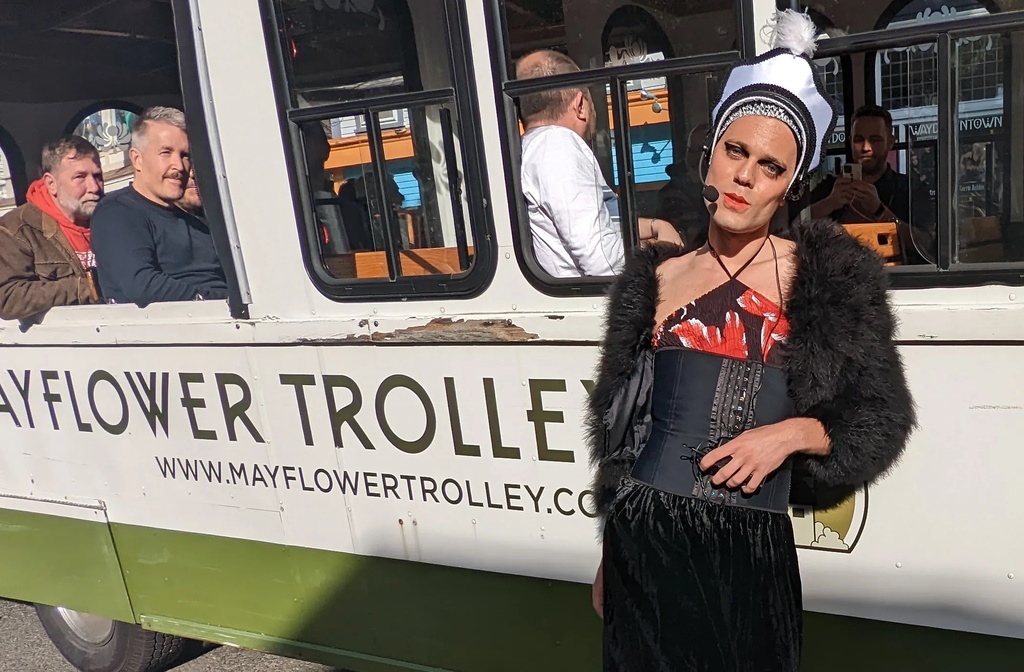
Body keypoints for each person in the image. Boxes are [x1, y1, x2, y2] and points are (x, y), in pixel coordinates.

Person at [585, 11, 915, 671]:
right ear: (710, 152)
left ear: (791, 184)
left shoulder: (827, 279)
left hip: (750, 556)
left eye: (770, 166)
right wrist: (609, 550)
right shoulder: (656, 278)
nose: (745, 177)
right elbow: (626, 432)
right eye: (735, 151)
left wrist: (789, 435)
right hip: (645, 544)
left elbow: (880, 416)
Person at [515, 49, 682, 278]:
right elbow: (603, 261)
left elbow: (603, 223)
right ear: (580, 105)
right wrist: (660, 251)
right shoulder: (558, 146)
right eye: (592, 101)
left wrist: (655, 226)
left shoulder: (533, 146)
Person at [91, 106, 228, 307]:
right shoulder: (117, 213)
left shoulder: (196, 221)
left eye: (185, 155)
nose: (179, 166)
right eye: (166, 152)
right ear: (137, 159)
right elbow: (143, 287)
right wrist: (220, 302)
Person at [806, 103, 936, 264]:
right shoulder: (832, 186)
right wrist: (830, 203)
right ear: (850, 142)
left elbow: (925, 243)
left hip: (897, 276)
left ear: (890, 142)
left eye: (875, 140)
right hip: (840, 274)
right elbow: (797, 228)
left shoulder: (910, 188)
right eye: (858, 140)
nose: (866, 147)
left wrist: (880, 212)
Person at [0, 136, 103, 321]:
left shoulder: (116, 217)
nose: (94, 187)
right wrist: (86, 288)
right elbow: (7, 297)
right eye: (80, 177)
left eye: (98, 176)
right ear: (51, 184)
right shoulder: (17, 229)